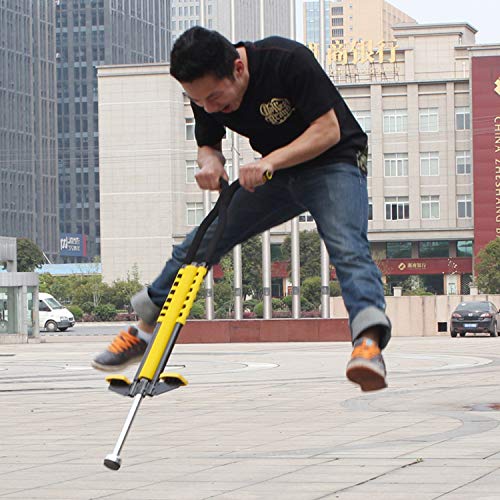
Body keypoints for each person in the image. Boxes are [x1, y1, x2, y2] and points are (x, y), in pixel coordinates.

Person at [92, 27, 391, 392]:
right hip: (275, 172)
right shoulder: (205, 93)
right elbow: (208, 144)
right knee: (203, 240)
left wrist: (270, 162)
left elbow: (327, 130)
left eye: (216, 98)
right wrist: (209, 163)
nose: (211, 108)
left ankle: (367, 344)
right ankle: (144, 329)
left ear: (238, 68)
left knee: (347, 247)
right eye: (200, 102)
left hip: (335, 162)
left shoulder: (287, 60)